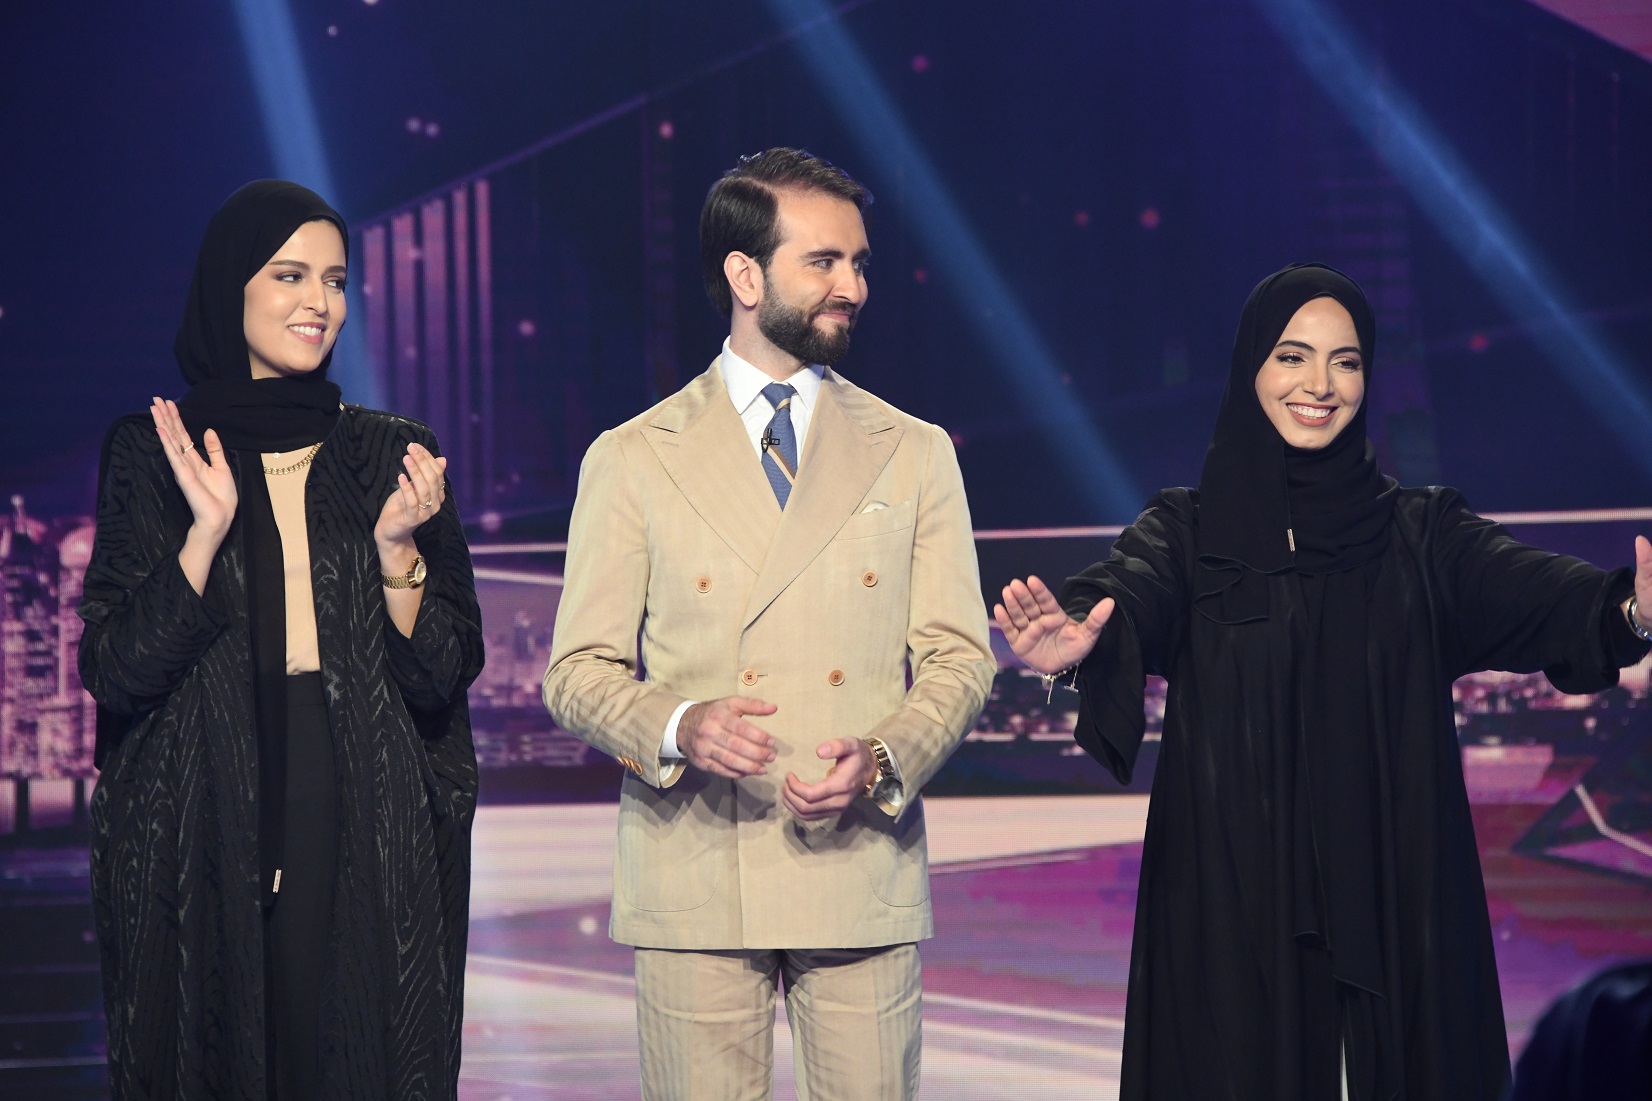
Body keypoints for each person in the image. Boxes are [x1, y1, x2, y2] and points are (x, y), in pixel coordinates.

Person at [994, 263, 1652, 1101]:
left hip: (1396, 894)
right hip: (1235, 907)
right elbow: (1128, 590)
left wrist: (1632, 609)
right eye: (1292, 356)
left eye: (1346, 361)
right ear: (1251, 368)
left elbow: (1542, 596)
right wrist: (1078, 634)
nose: (1320, 384)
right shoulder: (1188, 532)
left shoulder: (1424, 536)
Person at [543, 147, 994, 1100]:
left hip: (858, 862)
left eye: (859, 263)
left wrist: (882, 755)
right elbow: (577, 672)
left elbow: (959, 659)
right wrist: (681, 724)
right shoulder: (633, 456)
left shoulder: (914, 452)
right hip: (697, 868)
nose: (852, 287)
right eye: (823, 262)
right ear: (745, 277)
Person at [78, 180, 483, 1100]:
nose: (320, 303)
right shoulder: (154, 450)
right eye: (290, 275)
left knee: (351, 1047)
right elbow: (114, 670)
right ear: (232, 286)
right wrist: (203, 536)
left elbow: (444, 672)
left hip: (357, 791)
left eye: (335, 280)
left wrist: (396, 555)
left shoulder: (392, 451)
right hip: (201, 800)